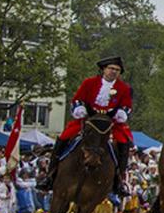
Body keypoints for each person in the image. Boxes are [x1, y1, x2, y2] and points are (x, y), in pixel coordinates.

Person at [40, 56, 135, 196]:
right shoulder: (89, 83)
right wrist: (79, 109)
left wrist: (121, 113)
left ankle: (119, 180)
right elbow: (77, 99)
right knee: (64, 137)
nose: (114, 72)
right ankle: (50, 175)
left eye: (117, 70)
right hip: (87, 121)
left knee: (123, 143)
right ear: (103, 69)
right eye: (111, 68)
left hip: (111, 124)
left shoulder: (124, 88)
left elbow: (127, 106)